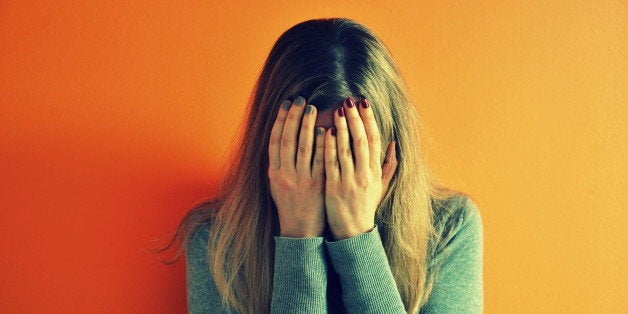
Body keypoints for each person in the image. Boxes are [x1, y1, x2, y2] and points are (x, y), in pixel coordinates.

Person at [152, 17, 484, 314]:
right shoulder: (216, 242)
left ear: (388, 150)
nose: (329, 174)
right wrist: (298, 236)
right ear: (273, 145)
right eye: (307, 149)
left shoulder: (449, 228)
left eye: (348, 149)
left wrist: (357, 235)